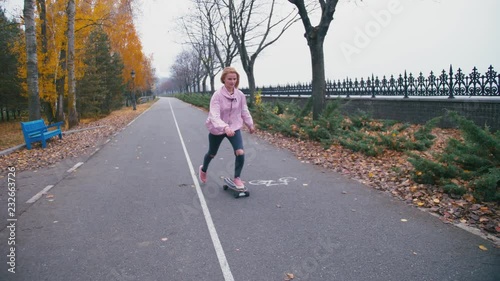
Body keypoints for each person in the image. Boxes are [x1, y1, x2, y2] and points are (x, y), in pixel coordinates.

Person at [199, 67, 255, 189]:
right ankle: (203, 169)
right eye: (229, 79)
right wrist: (224, 127)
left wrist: (250, 124)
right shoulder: (217, 95)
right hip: (217, 129)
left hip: (234, 127)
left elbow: (244, 110)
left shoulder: (239, 95)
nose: (232, 81)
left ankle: (237, 178)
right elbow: (214, 115)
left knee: (240, 152)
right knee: (212, 154)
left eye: (234, 79)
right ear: (223, 79)